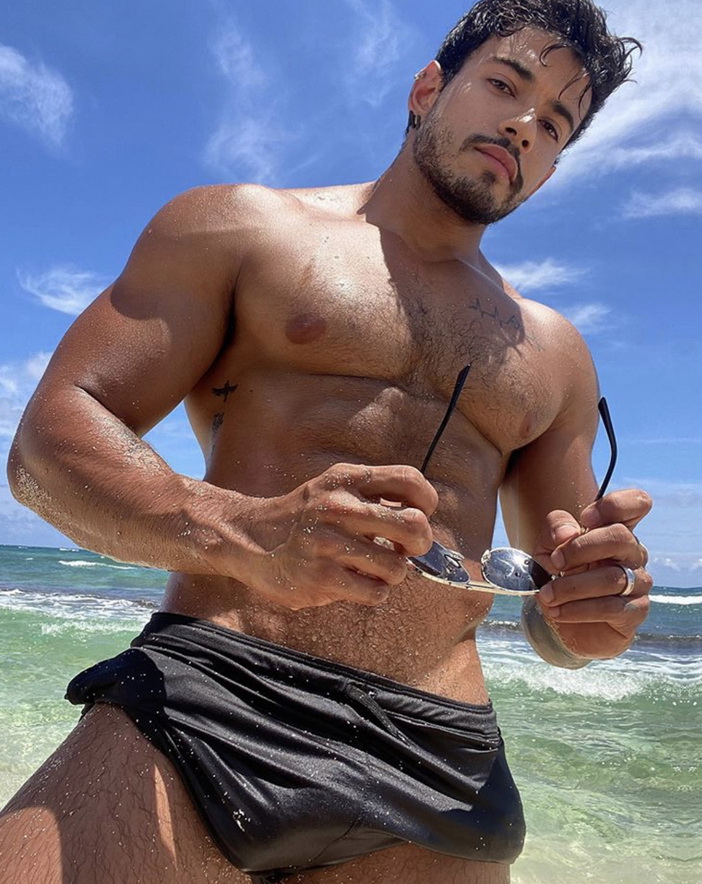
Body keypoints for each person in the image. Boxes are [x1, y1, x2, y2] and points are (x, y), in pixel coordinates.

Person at [1, 1, 653, 882]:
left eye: (556, 126)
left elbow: (555, 618)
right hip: (216, 695)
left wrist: (594, 614)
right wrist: (246, 532)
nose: (524, 127)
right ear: (428, 89)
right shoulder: (242, 230)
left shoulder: (555, 352)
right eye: (505, 85)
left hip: (441, 757)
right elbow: (48, 446)